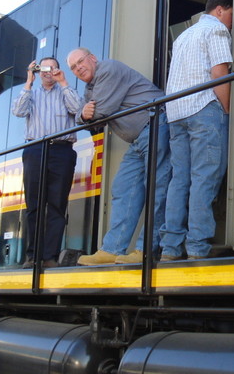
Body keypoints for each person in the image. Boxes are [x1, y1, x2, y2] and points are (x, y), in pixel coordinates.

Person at [67, 48, 172, 265]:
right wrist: (82, 114)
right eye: (73, 68)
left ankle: (146, 250)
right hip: (138, 139)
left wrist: (86, 114)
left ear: (93, 58)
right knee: (123, 188)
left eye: (80, 62)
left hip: (156, 125)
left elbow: (101, 112)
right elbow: (85, 118)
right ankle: (112, 249)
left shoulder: (109, 68)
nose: (78, 68)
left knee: (157, 190)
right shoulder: (90, 88)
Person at [161, 0, 233, 261]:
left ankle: (170, 248)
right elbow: (218, 72)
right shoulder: (215, 30)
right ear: (219, 11)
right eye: (231, 16)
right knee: (205, 177)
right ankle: (198, 247)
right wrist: (225, 110)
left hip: (176, 113)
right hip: (203, 109)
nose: (231, 23)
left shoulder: (183, 36)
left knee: (180, 180)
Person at [11, 57, 82, 269]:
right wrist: (28, 80)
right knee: (34, 206)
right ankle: (32, 256)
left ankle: (50, 256)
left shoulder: (66, 90)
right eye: (42, 68)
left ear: (57, 70)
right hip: (35, 150)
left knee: (57, 206)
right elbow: (18, 111)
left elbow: (78, 109)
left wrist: (63, 82)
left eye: (51, 68)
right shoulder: (31, 93)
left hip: (62, 150)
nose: (46, 72)